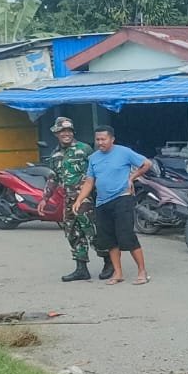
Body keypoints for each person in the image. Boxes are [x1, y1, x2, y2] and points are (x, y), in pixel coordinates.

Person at [72, 126, 152, 285]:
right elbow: (90, 181)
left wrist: (132, 177)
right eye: (98, 139)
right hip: (102, 202)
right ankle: (118, 273)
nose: (100, 142)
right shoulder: (93, 158)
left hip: (122, 198)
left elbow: (146, 163)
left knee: (127, 236)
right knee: (109, 239)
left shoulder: (124, 152)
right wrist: (79, 199)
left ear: (112, 139)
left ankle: (142, 272)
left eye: (103, 139)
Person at [49, 117, 108, 283]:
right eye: (62, 131)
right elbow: (54, 178)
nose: (66, 134)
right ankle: (81, 269)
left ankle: (109, 262)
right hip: (68, 200)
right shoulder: (55, 154)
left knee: (92, 231)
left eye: (69, 131)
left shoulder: (85, 149)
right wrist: (45, 198)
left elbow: (98, 171)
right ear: (56, 134)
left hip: (86, 199)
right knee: (73, 233)